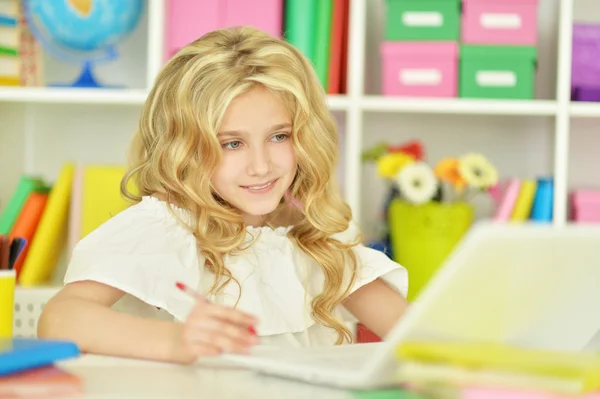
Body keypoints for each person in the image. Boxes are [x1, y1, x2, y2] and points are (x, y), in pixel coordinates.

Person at [38, 26, 409, 365]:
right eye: (232, 144)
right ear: (184, 149)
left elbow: (412, 333)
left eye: (279, 136)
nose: (261, 166)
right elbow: (60, 319)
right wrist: (175, 341)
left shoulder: (315, 238)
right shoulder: (166, 228)